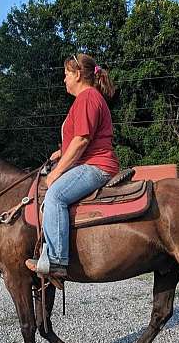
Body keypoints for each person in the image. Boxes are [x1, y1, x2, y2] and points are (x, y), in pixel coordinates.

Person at [25, 53, 119, 278]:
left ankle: (57, 261)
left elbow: (82, 140)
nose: (64, 79)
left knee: (55, 194)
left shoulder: (87, 98)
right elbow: (79, 140)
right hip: (91, 161)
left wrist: (56, 172)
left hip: (96, 165)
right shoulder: (88, 99)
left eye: (66, 74)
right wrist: (61, 153)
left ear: (78, 74)